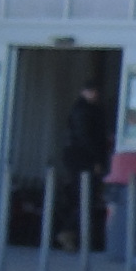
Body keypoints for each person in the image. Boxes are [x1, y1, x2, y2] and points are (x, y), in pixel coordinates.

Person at [52, 76, 110, 251]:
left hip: (79, 159)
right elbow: (86, 139)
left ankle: (73, 234)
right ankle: (69, 232)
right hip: (82, 160)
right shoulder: (83, 111)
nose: (94, 94)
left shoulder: (88, 110)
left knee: (83, 198)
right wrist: (97, 160)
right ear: (84, 92)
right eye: (91, 91)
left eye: (95, 91)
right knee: (85, 198)